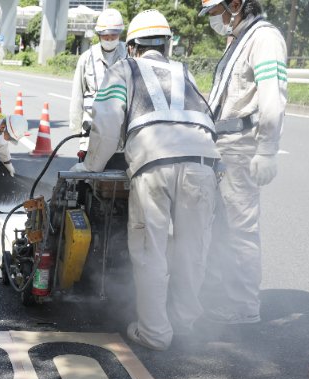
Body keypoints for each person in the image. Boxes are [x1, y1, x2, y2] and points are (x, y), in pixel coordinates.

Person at [71, 9, 221, 350]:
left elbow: (107, 123)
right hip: (203, 162)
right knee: (192, 247)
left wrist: (91, 166)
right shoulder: (185, 72)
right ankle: (184, 322)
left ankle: (154, 331)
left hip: (153, 162)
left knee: (150, 248)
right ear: (167, 45)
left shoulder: (123, 68)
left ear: (131, 47)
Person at [198, 0, 287, 324]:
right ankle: (225, 297)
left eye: (215, 12)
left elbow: (271, 101)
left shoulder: (263, 38)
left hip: (241, 148)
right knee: (221, 227)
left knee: (240, 229)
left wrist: (267, 150)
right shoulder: (241, 39)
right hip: (223, 147)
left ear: (235, 4)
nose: (213, 20)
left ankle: (244, 306)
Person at [68, 8, 127, 153]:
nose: (109, 39)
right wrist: (77, 129)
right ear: (99, 35)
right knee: (88, 172)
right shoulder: (87, 58)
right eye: (106, 36)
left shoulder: (128, 56)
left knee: (117, 171)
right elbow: (77, 95)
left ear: (120, 34)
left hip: (121, 132)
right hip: (92, 129)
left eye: (114, 35)